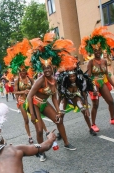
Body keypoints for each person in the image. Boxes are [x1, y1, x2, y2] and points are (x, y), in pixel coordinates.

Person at [25, 33, 77, 161]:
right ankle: (41, 151)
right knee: (39, 130)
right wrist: (32, 114)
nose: (46, 70)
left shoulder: (54, 80)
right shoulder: (40, 80)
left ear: (52, 68)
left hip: (43, 103)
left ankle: (66, 143)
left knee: (59, 120)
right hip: (34, 104)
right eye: (44, 68)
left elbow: (54, 97)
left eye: (48, 68)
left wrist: (58, 111)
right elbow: (29, 96)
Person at [79, 26, 114, 132]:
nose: (97, 52)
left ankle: (112, 119)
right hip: (94, 84)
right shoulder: (91, 62)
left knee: (111, 101)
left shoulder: (104, 61)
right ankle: (93, 124)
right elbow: (88, 75)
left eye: (99, 50)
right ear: (93, 51)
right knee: (95, 105)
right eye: (95, 50)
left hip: (103, 82)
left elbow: (107, 74)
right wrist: (93, 88)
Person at [57, 69, 97, 136]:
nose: (72, 78)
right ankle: (60, 132)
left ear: (76, 75)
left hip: (75, 97)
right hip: (66, 98)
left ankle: (91, 128)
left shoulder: (80, 82)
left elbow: (84, 97)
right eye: (70, 76)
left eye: (73, 76)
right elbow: (60, 97)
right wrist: (57, 110)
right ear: (67, 77)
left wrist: (87, 108)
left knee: (84, 112)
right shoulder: (64, 84)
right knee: (61, 115)